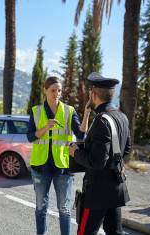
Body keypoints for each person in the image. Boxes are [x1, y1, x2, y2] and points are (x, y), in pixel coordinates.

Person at [27, 76, 91, 235]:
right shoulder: (36, 111)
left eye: (59, 90)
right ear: (45, 91)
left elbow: (81, 135)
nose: (57, 94)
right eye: (53, 90)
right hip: (40, 167)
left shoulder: (69, 111)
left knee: (64, 209)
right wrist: (45, 127)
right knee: (41, 208)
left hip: (63, 167)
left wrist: (87, 114)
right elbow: (30, 137)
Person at [69, 72, 131, 235]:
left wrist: (75, 152)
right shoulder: (122, 117)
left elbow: (97, 162)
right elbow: (127, 150)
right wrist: (119, 164)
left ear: (94, 95)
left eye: (90, 92)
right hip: (116, 188)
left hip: (97, 192)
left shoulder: (101, 121)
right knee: (114, 232)